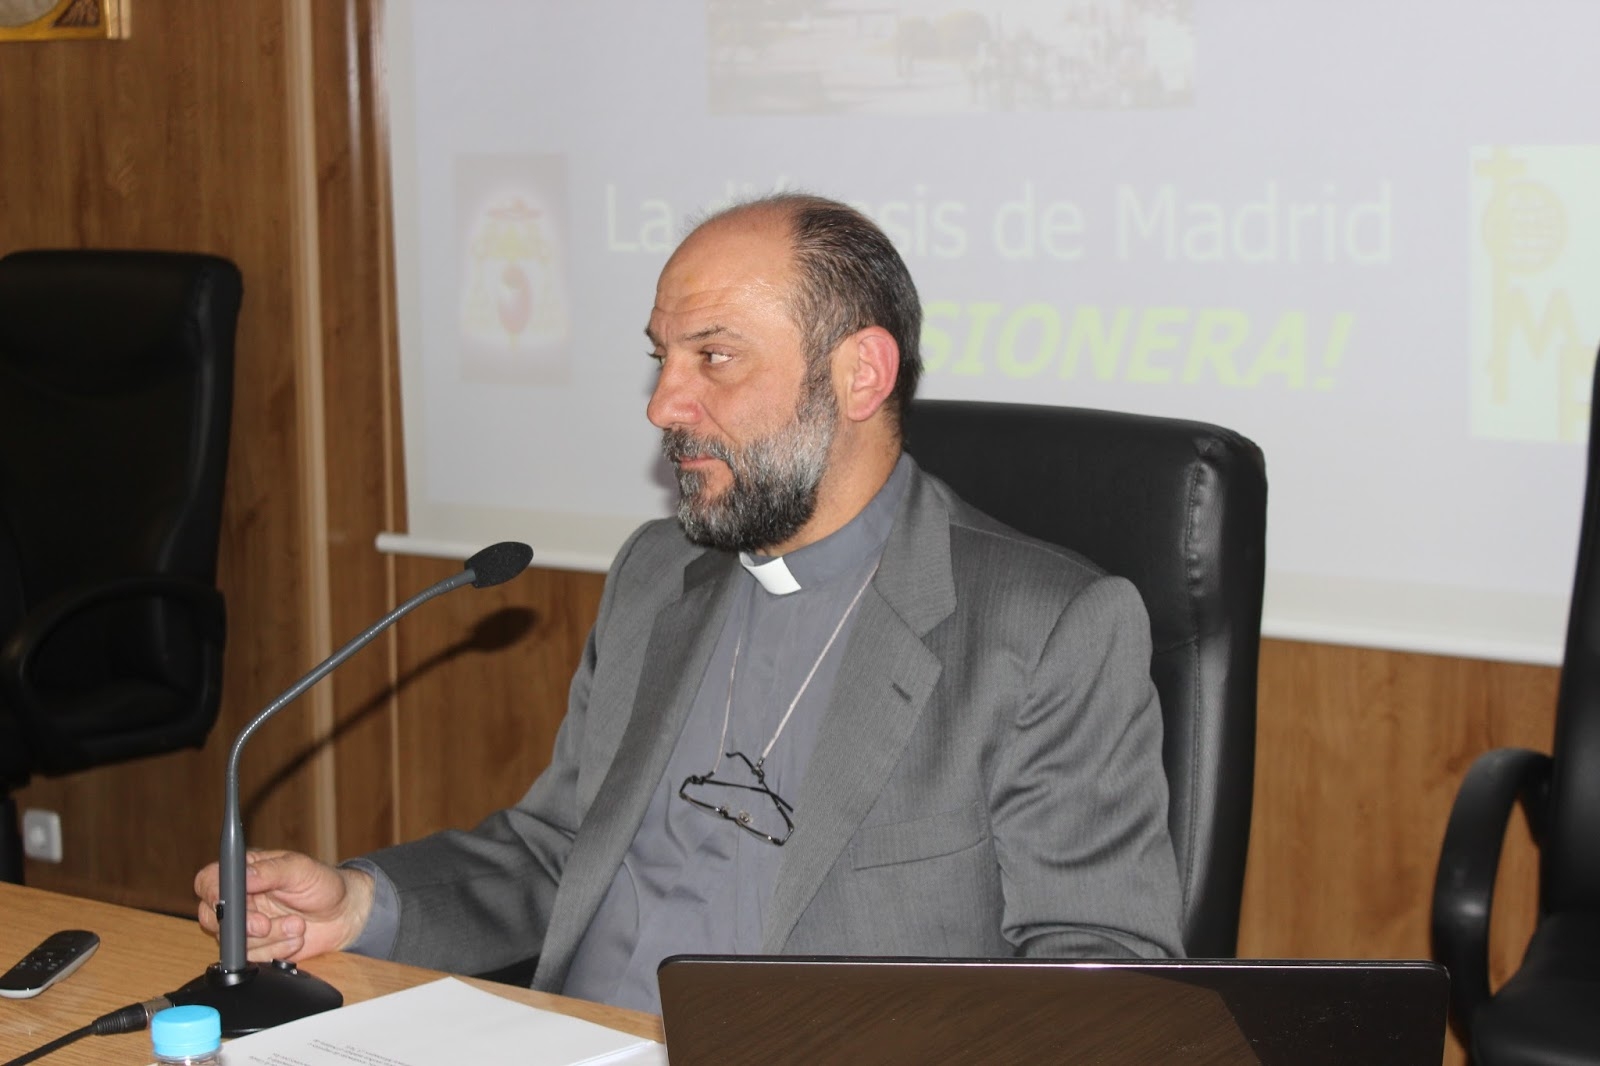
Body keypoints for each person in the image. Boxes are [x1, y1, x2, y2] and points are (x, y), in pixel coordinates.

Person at [194, 193, 1183, 1014]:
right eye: (661, 357)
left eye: (714, 356)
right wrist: (359, 905)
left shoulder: (1045, 627)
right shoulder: (658, 574)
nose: (664, 404)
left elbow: (1100, 974)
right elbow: (559, 850)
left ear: (860, 374)